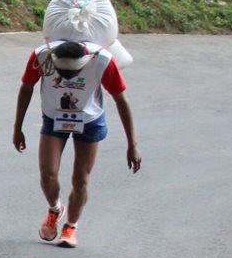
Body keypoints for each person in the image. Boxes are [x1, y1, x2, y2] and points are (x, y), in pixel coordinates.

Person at [12, 40, 141, 247]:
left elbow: (121, 101)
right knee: (48, 173)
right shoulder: (41, 57)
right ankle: (55, 209)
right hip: (54, 117)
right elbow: (26, 88)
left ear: (86, 61)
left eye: (73, 72)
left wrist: (132, 144)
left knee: (81, 179)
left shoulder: (102, 61)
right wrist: (17, 128)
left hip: (90, 121)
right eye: (61, 71)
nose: (66, 76)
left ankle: (71, 226)